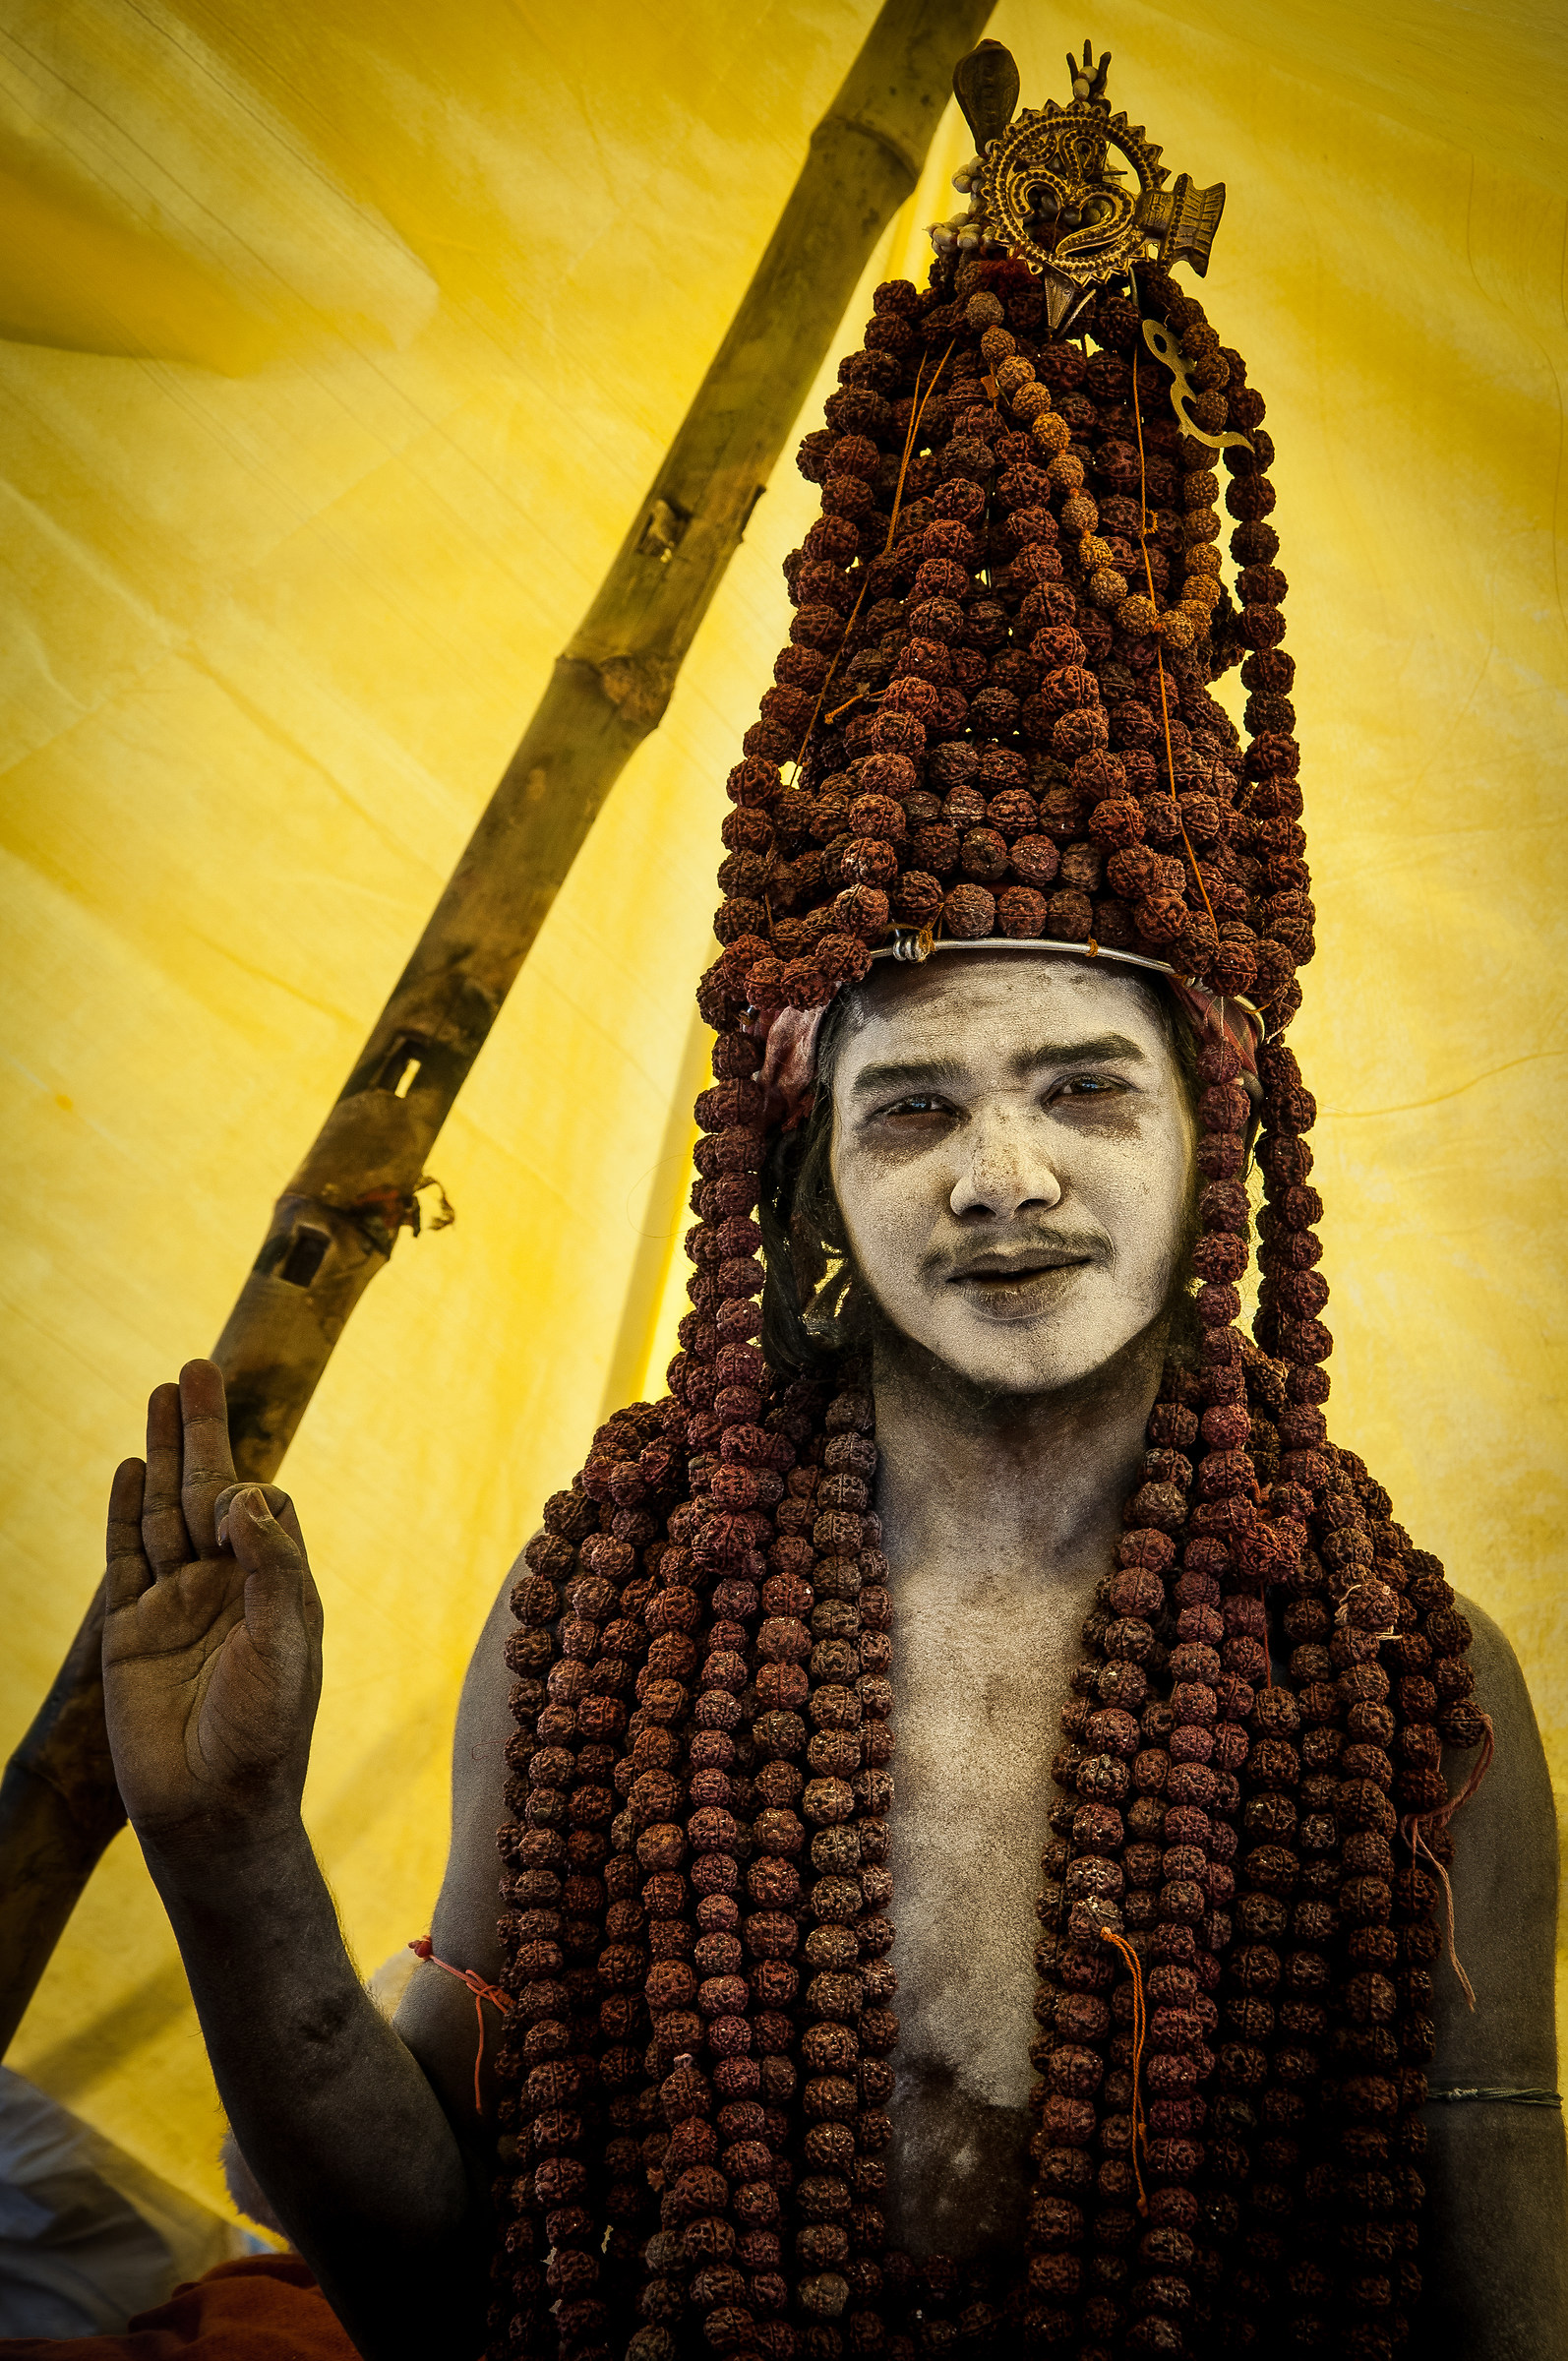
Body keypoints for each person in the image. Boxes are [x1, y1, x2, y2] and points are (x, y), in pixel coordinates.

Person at [59, 37, 1568, 2361]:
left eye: (1083, 1086)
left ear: (1216, 1133)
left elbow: (1495, 2283)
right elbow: (454, 2277)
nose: (999, 1173)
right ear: (802, 1172)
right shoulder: (615, 1627)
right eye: (906, 1110)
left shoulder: (1388, 1684)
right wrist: (235, 1857)